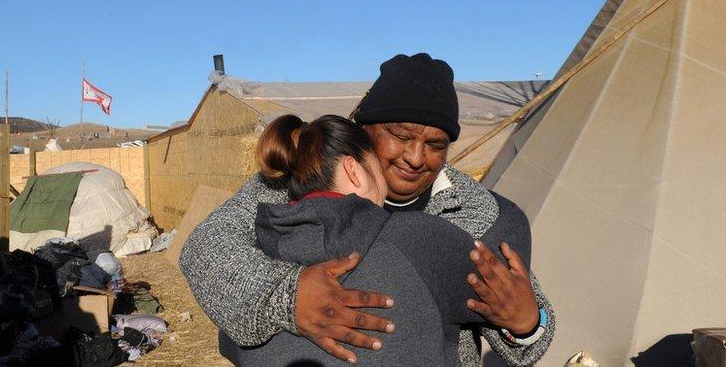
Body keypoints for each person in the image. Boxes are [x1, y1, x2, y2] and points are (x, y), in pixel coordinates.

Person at [181, 54, 554, 365]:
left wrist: (526, 324)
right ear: (364, 128)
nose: (415, 157)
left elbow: (531, 332)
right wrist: (287, 297)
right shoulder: (296, 179)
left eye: (436, 144)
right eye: (401, 136)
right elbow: (205, 248)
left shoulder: (481, 217)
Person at [221, 114, 536, 366]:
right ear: (354, 170)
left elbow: (230, 342)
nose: (413, 158)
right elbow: (503, 298)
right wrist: (530, 321)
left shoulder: (253, 259)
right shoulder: (419, 239)